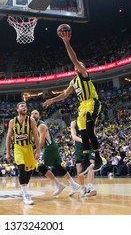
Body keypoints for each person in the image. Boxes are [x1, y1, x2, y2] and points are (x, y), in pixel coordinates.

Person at [43, 29, 103, 174]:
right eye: (76, 65)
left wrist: (66, 42)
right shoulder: (73, 81)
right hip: (82, 106)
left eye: (79, 64)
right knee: (83, 133)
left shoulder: (84, 73)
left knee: (89, 130)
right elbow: (64, 94)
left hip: (92, 102)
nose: (77, 65)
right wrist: (52, 100)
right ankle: (87, 159)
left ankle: (98, 157)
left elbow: (74, 59)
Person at [31, 110, 80, 197]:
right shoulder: (34, 126)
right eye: (32, 113)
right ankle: (73, 184)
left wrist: (34, 152)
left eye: (36, 113)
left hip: (50, 147)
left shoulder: (41, 126)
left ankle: (59, 185)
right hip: (52, 146)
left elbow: (41, 143)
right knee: (58, 167)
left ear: (39, 116)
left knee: (41, 167)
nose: (33, 115)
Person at [5, 101, 40, 205]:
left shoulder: (31, 120)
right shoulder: (12, 121)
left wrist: (38, 150)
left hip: (28, 147)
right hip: (18, 147)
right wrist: (8, 152)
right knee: (21, 168)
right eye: (22, 106)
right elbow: (8, 137)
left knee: (29, 170)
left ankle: (23, 188)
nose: (24, 108)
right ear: (17, 109)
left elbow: (36, 136)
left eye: (25, 106)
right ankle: (25, 195)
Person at [70, 119, 97, 197]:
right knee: (79, 170)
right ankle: (82, 188)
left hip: (90, 146)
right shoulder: (74, 123)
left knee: (91, 165)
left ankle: (90, 186)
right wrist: (82, 140)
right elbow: (74, 136)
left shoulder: (90, 121)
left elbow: (94, 134)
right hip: (79, 147)